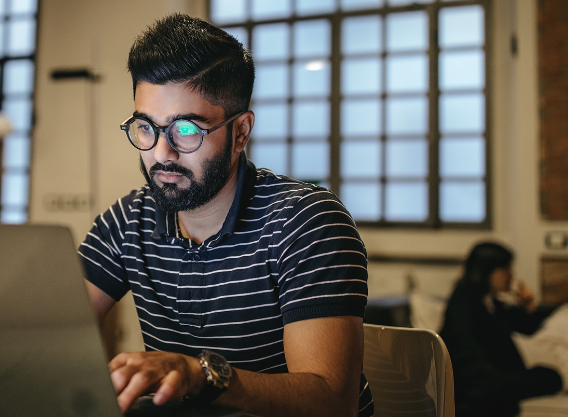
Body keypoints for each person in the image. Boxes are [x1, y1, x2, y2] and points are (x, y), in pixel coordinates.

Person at [77, 14, 372, 417]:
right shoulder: (129, 220)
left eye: (186, 130)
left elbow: (333, 402)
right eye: (146, 127)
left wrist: (198, 374)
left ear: (241, 132)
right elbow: (51, 336)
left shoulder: (306, 223)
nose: (162, 154)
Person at [439, 242, 563, 417]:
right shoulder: (463, 299)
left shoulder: (492, 302)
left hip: (500, 376)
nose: (510, 276)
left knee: (550, 377)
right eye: (506, 270)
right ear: (486, 271)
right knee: (500, 390)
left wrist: (528, 306)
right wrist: (496, 378)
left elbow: (525, 327)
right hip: (474, 378)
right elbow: (467, 347)